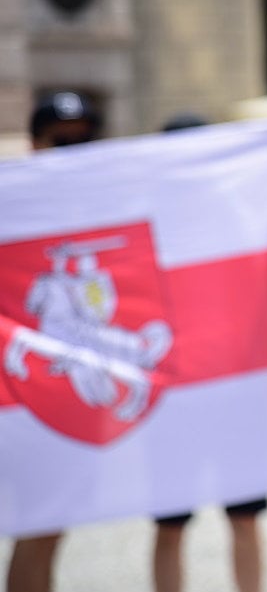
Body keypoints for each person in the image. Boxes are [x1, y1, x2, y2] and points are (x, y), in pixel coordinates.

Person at [152, 113, 267, 592]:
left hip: (234, 392)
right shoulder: (151, 218)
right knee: (169, 523)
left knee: (243, 518)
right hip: (173, 394)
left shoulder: (238, 214)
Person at [7, 91, 102, 592]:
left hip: (67, 385)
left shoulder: (92, 201)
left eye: (84, 139)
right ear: (35, 143)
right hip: (23, 389)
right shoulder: (12, 198)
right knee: (37, 524)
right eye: (61, 141)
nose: (73, 149)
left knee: (50, 526)